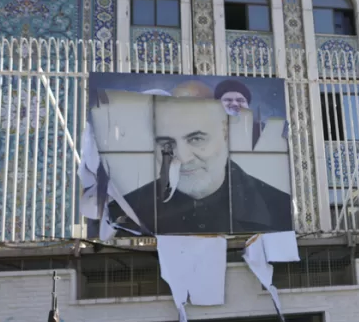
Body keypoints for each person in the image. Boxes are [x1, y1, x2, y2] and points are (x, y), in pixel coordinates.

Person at [112, 95, 292, 234]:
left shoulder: (281, 208)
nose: (183, 158)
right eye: (167, 144)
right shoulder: (124, 213)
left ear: (225, 133)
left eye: (196, 139)